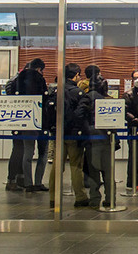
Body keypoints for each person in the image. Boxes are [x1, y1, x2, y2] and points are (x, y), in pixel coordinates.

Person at [48, 63, 90, 208]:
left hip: (58, 133)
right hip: (74, 134)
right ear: (77, 75)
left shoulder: (55, 90)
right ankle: (80, 196)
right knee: (76, 165)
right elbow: (82, 114)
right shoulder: (77, 92)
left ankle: (53, 197)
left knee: (56, 165)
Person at [9, 59, 49, 192]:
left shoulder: (17, 79)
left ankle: (28, 183)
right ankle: (38, 182)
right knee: (43, 153)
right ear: (39, 69)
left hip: (24, 119)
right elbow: (45, 99)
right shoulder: (40, 79)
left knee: (28, 152)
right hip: (41, 120)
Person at [79, 74, 113, 208]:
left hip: (92, 138)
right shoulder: (106, 99)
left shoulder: (87, 97)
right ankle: (111, 198)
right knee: (108, 170)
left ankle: (94, 199)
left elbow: (79, 114)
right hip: (105, 136)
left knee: (94, 170)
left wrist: (86, 128)